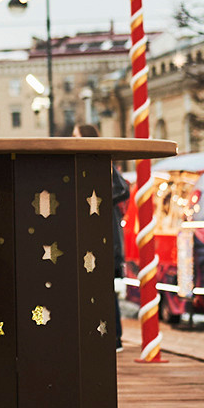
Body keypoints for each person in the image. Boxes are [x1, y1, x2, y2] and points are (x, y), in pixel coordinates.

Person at [73, 123, 127, 349]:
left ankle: (113, 336)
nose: (71, 138)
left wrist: (97, 200)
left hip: (106, 240)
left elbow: (122, 188)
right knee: (98, 287)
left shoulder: (101, 164)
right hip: (101, 238)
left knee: (105, 288)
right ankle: (103, 334)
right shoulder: (89, 166)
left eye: (75, 135)